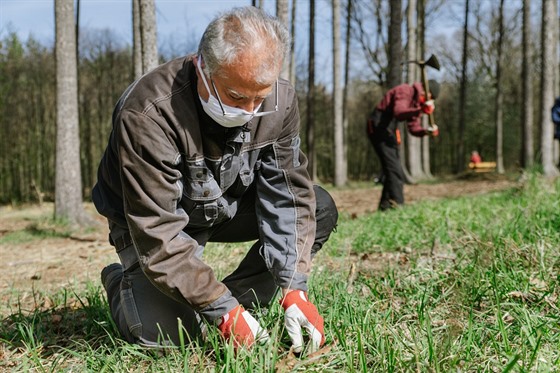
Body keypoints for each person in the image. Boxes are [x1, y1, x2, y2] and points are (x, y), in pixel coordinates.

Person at [92, 6, 338, 353]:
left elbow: (288, 194)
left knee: (320, 206)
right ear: (202, 67)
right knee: (170, 340)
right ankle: (122, 284)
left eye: (260, 97)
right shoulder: (148, 114)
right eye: (236, 96)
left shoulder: (281, 100)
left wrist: (293, 287)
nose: (250, 110)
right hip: (151, 224)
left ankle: (237, 301)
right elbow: (157, 233)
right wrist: (223, 314)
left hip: (224, 204)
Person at [366, 81, 440, 211]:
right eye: (431, 98)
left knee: (392, 170)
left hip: (389, 130)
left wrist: (426, 131)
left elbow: (413, 128)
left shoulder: (416, 102)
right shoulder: (405, 90)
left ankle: (385, 207)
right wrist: (421, 110)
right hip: (378, 127)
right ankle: (399, 206)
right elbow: (399, 112)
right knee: (394, 170)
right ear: (427, 92)